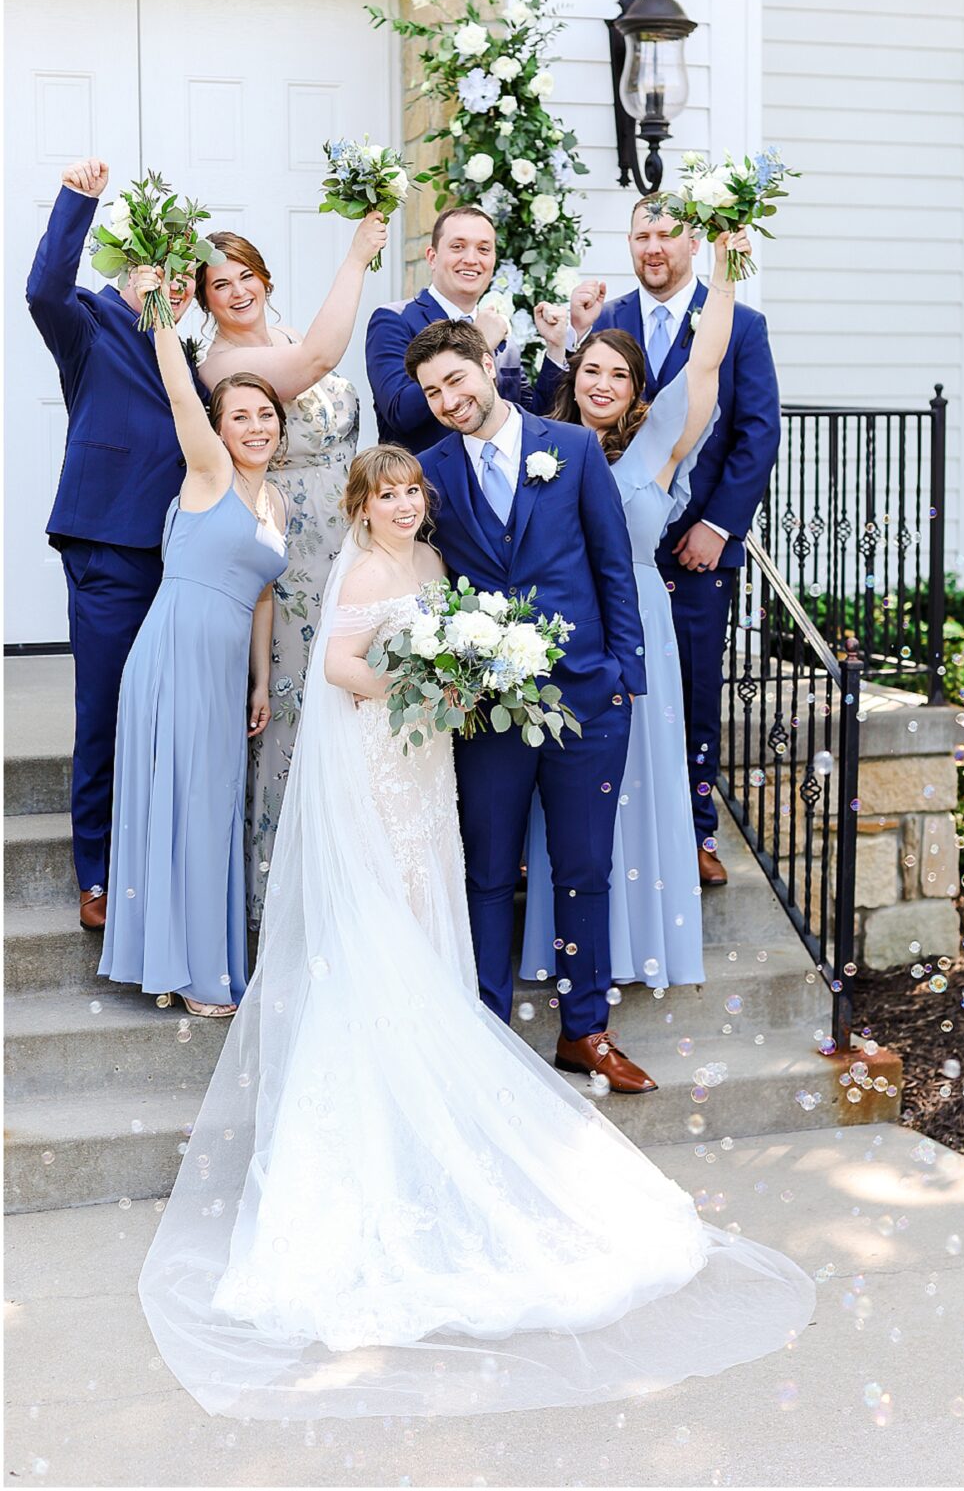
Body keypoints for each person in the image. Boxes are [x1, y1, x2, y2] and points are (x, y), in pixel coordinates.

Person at [137, 442, 815, 1420]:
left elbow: (449, 637)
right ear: (361, 506)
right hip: (380, 764)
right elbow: (336, 663)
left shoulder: (432, 566)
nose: (405, 505)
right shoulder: (366, 568)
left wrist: (463, 681)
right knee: (388, 927)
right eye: (388, 494)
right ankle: (384, 1120)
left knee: (432, 914)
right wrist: (425, 692)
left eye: (414, 491)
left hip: (424, 767)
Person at [410, 320, 657, 1093]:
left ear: (489, 366)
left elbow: (611, 565)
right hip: (488, 707)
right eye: (432, 392)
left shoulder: (574, 449)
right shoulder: (427, 473)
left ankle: (585, 1031)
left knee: (584, 869)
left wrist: (624, 678)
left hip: (588, 695)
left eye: (457, 380)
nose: (449, 400)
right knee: (486, 871)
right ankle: (484, 1028)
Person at [521, 229, 750, 993]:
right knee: (572, 802)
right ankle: (575, 951)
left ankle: (638, 946)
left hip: (640, 627)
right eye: (590, 369)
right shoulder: (539, 446)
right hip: (560, 633)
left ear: (635, 388)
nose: (602, 383)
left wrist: (725, 268)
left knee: (640, 788)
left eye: (618, 374)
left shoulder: (656, 446)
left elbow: (710, 362)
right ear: (573, 374)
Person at [544, 197, 781, 888]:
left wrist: (717, 526)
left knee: (693, 692)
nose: (652, 246)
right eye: (640, 234)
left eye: (666, 234)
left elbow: (755, 432)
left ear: (690, 243)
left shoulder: (740, 324)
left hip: (691, 546)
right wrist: (568, 340)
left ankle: (696, 832)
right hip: (598, 556)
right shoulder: (606, 322)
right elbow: (573, 411)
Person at [98, 268, 287, 1017]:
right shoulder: (208, 472)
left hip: (223, 669)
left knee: (210, 809)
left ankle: (195, 961)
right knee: (180, 802)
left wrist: (261, 681)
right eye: (238, 416)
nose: (254, 427)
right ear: (220, 427)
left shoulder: (271, 499)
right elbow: (181, 392)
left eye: (264, 414)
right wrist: (157, 313)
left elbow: (265, 593)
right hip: (175, 651)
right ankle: (184, 971)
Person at [26, 157, 205, 933]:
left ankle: (156, 860)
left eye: (186, 281)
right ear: (129, 273)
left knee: (169, 717)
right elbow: (42, 290)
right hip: (108, 549)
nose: (173, 288)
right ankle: (95, 872)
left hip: (185, 558)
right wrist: (79, 202)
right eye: (159, 273)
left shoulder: (188, 360)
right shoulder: (92, 326)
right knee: (104, 710)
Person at [195, 212, 387, 926]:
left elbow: (313, 355)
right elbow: (316, 364)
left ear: (265, 279)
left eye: (246, 275)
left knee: (356, 698)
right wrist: (358, 254)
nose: (237, 290)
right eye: (220, 283)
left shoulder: (289, 337)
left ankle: (361, 869)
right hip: (293, 547)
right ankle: (290, 894)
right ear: (205, 299)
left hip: (355, 539)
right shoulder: (221, 367)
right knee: (300, 699)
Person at [365, 204, 574, 453]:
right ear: (432, 257)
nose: (472, 259)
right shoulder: (394, 320)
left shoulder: (500, 334)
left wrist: (556, 347)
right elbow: (400, 413)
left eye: (483, 249)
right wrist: (478, 342)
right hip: (425, 484)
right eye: (457, 247)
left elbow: (535, 417)